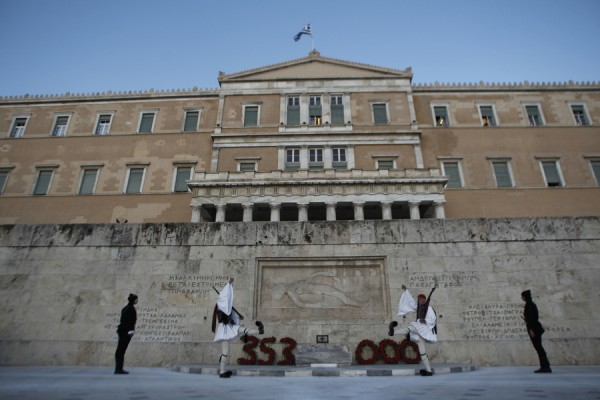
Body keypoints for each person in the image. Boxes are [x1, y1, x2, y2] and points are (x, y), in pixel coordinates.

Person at [213, 277, 264, 378]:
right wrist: (229, 284)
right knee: (225, 352)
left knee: (243, 330)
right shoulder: (221, 306)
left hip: (229, 327)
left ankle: (259, 331)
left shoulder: (226, 307)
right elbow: (225, 299)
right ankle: (222, 371)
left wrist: (237, 316)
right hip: (224, 329)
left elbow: (230, 310)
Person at [387, 284, 437, 376]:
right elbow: (411, 302)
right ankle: (429, 371)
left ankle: (393, 332)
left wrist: (424, 320)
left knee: (410, 328)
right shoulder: (418, 307)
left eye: (421, 299)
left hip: (423, 328)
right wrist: (406, 290)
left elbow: (433, 319)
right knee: (422, 352)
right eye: (418, 299)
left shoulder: (429, 308)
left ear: (424, 300)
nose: (419, 300)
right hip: (420, 331)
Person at [521, 289, 551, 373]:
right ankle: (545, 366)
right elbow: (533, 318)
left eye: (522, 296)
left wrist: (531, 330)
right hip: (536, 328)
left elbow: (531, 319)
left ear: (524, 296)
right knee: (539, 348)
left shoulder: (529, 305)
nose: (522, 298)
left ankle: (545, 367)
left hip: (534, 330)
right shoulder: (531, 304)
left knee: (539, 348)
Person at [115, 293, 138, 375]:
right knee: (121, 350)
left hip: (122, 330)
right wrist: (131, 331)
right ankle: (118, 369)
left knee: (120, 350)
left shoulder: (125, 308)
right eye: (136, 299)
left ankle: (118, 368)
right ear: (134, 300)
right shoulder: (131, 309)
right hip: (125, 331)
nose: (137, 301)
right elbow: (131, 322)